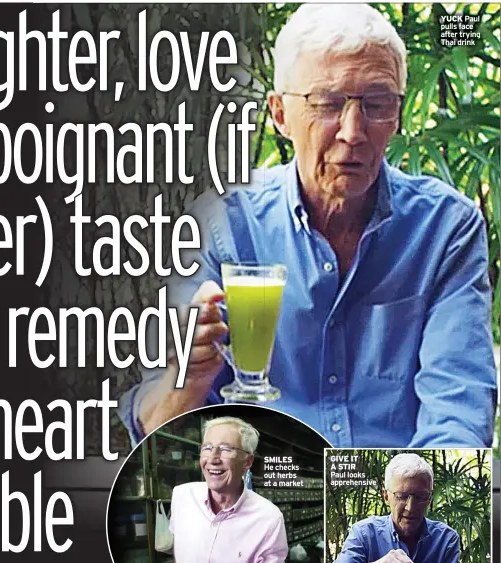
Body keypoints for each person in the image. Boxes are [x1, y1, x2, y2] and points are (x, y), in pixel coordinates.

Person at [117, 4, 497, 448]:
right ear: (280, 114)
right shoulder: (223, 225)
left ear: (396, 115)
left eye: (376, 104)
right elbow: (159, 433)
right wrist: (189, 375)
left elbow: (457, 420)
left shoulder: (443, 229)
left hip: (398, 504)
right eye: (328, 104)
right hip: (256, 502)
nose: (353, 131)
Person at [169, 416, 288, 562]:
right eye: (207, 448)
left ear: (247, 461)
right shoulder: (182, 496)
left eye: (226, 449)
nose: (213, 459)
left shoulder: (269, 519)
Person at [334, 453, 460, 563]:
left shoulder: (446, 539)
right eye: (402, 496)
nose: (410, 508)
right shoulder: (364, 534)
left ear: (429, 499)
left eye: (420, 497)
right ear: (386, 496)